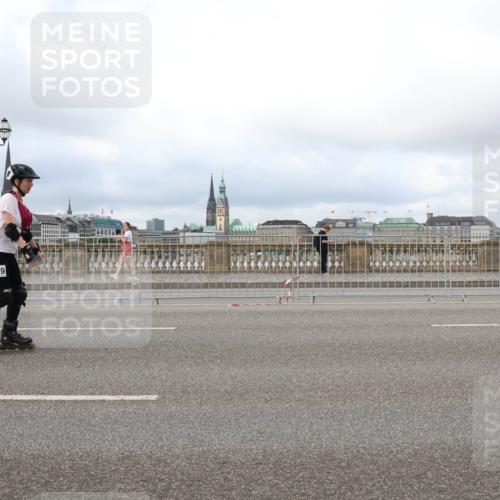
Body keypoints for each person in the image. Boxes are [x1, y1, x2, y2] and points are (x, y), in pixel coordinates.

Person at [0, 163, 41, 350]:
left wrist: (35, 248)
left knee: (18, 293)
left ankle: (9, 334)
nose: (31, 184)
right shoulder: (8, 198)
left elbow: (23, 231)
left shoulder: (19, 203)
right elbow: (9, 228)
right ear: (17, 181)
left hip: (8, 253)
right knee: (3, 296)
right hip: (0, 253)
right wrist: (25, 249)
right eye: (28, 181)